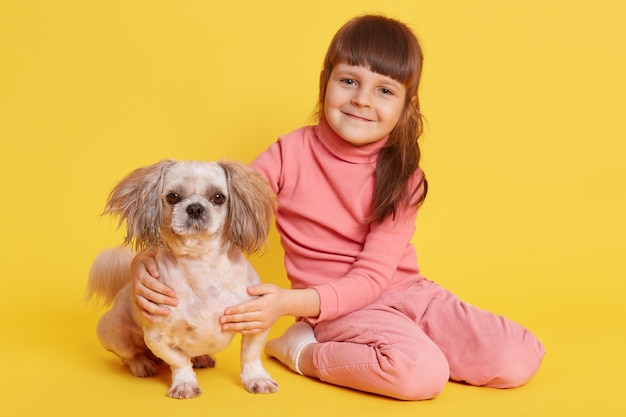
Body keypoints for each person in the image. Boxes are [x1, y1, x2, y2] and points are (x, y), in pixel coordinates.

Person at [131, 14, 545, 401]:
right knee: (421, 374)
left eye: (384, 90)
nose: (362, 100)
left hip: (409, 294)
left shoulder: (404, 174)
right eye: (349, 81)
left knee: (519, 356)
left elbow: (372, 276)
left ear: (407, 105)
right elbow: (212, 213)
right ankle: (300, 349)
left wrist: (283, 304)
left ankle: (409, 341)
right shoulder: (286, 154)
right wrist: (140, 265)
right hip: (331, 308)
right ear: (325, 81)